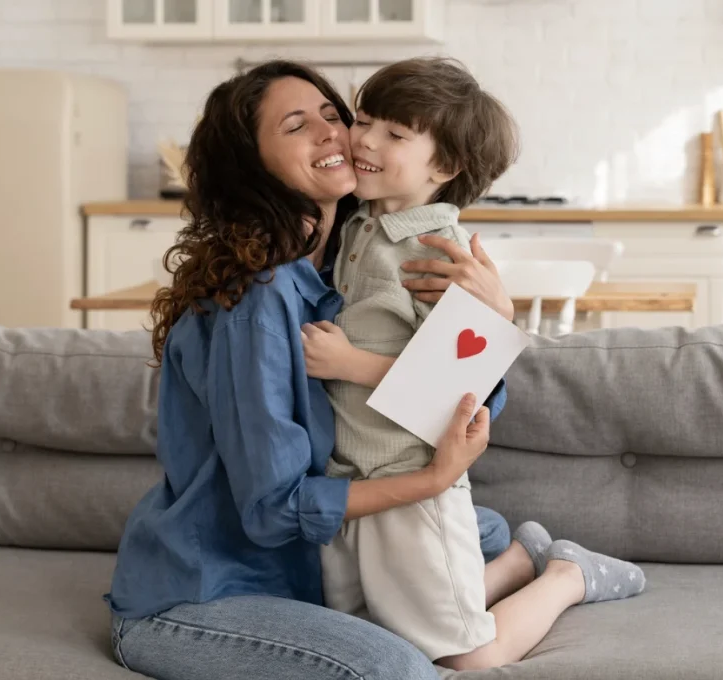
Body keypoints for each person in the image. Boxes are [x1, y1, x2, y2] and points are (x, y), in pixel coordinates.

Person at [104, 60, 519, 680]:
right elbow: (274, 509)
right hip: (211, 589)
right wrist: (432, 481)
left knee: (479, 529)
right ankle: (555, 575)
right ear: (254, 166)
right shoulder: (261, 297)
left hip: (317, 557)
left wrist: (493, 314)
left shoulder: (348, 264)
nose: (335, 134)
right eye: (297, 126)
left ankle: (521, 559)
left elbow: (462, 401)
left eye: (333, 114)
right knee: (398, 670)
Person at [300, 58, 646, 671]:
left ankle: (566, 575)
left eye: (395, 135)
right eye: (366, 120)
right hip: (351, 477)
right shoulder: (359, 223)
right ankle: (517, 560)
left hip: (412, 477)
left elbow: (455, 387)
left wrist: (349, 363)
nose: (365, 140)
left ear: (444, 167)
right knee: (372, 631)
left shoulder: (438, 255)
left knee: (468, 657)